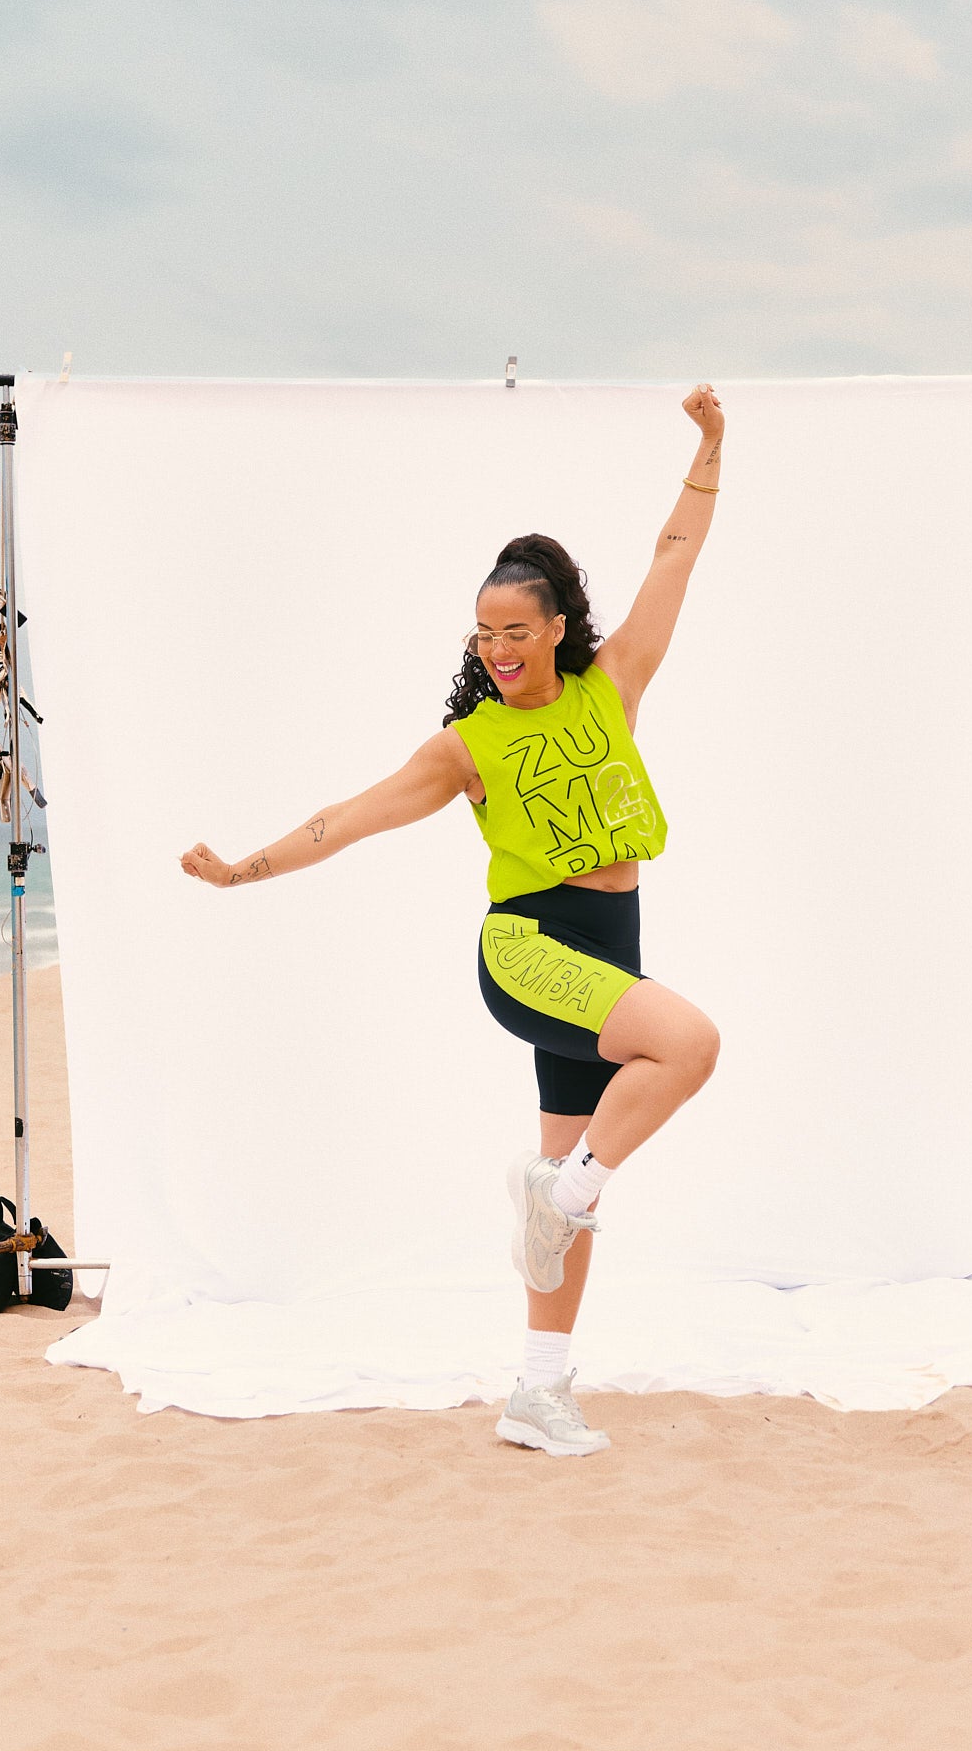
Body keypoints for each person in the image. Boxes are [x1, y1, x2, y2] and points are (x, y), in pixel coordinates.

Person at [181, 385, 725, 1457]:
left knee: (569, 1170)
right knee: (688, 1049)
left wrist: (712, 445)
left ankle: (537, 1388)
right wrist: (246, 870)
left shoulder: (611, 686)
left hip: (613, 945)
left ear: (560, 628)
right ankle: (561, 1197)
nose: (498, 650)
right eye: (483, 635)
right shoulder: (467, 744)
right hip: (527, 950)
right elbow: (349, 818)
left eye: (516, 631)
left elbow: (674, 552)